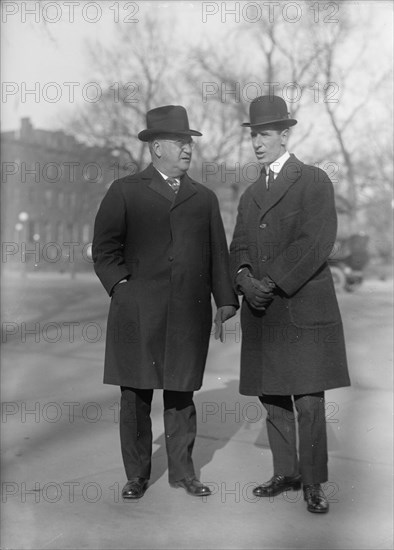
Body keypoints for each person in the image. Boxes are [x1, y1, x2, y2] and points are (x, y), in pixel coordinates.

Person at [92, 105, 238, 500]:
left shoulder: (203, 198)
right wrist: (122, 286)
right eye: (180, 142)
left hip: (188, 312)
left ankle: (183, 473)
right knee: (135, 395)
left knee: (181, 394)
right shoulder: (125, 190)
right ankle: (137, 475)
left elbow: (217, 253)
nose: (188, 149)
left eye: (189, 142)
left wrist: (225, 300)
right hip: (136, 311)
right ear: (157, 148)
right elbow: (104, 249)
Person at [229, 96, 350, 514]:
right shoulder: (249, 194)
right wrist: (244, 278)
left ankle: (314, 482)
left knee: (309, 400)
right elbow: (239, 244)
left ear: (285, 135)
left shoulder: (314, 180)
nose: (257, 143)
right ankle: (287, 472)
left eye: (265, 135)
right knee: (272, 396)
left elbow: (316, 242)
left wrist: (271, 280)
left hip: (300, 306)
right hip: (262, 310)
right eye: (253, 135)